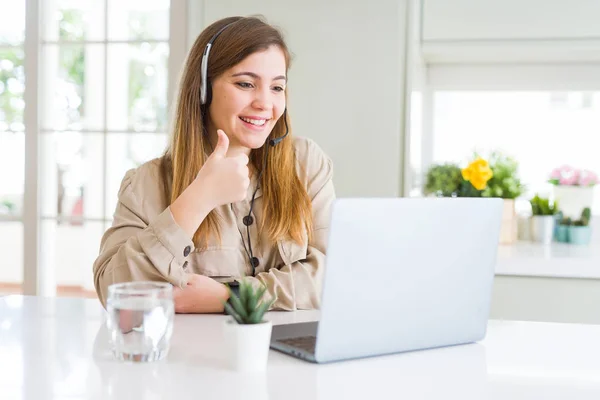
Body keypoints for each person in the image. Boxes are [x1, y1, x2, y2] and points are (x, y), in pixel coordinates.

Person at [93, 16, 335, 314]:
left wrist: (230, 297)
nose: (264, 103)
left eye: (276, 88)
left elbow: (334, 276)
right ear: (203, 89)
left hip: (291, 357)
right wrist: (199, 197)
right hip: (195, 358)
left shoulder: (307, 164)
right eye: (246, 84)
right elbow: (115, 293)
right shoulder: (146, 183)